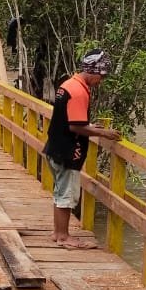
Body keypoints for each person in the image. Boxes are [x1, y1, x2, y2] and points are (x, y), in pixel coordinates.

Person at [43, 49, 121, 249]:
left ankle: (57, 233)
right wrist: (103, 133)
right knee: (67, 195)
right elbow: (75, 127)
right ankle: (63, 236)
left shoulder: (68, 85)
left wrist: (91, 126)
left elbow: (70, 119)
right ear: (92, 71)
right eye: (101, 76)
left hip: (55, 147)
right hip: (67, 151)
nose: (101, 81)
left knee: (60, 192)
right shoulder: (78, 92)